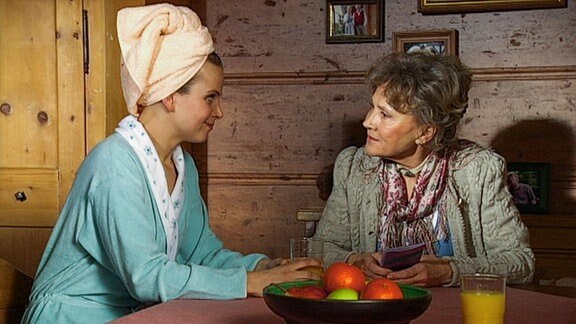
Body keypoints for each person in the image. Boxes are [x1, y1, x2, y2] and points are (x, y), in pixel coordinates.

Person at [21, 4, 320, 323]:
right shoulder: (114, 163)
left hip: (132, 315)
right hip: (72, 314)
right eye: (210, 97)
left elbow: (203, 255)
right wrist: (247, 282)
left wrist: (261, 268)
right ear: (170, 95)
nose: (219, 112)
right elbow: (146, 276)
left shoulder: (183, 166)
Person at [313, 51, 535, 287]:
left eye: (385, 115)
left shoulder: (478, 170)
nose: (368, 121)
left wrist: (449, 271)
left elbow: (520, 263)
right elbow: (318, 250)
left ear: (425, 132)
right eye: (372, 108)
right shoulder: (353, 167)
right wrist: (355, 260)